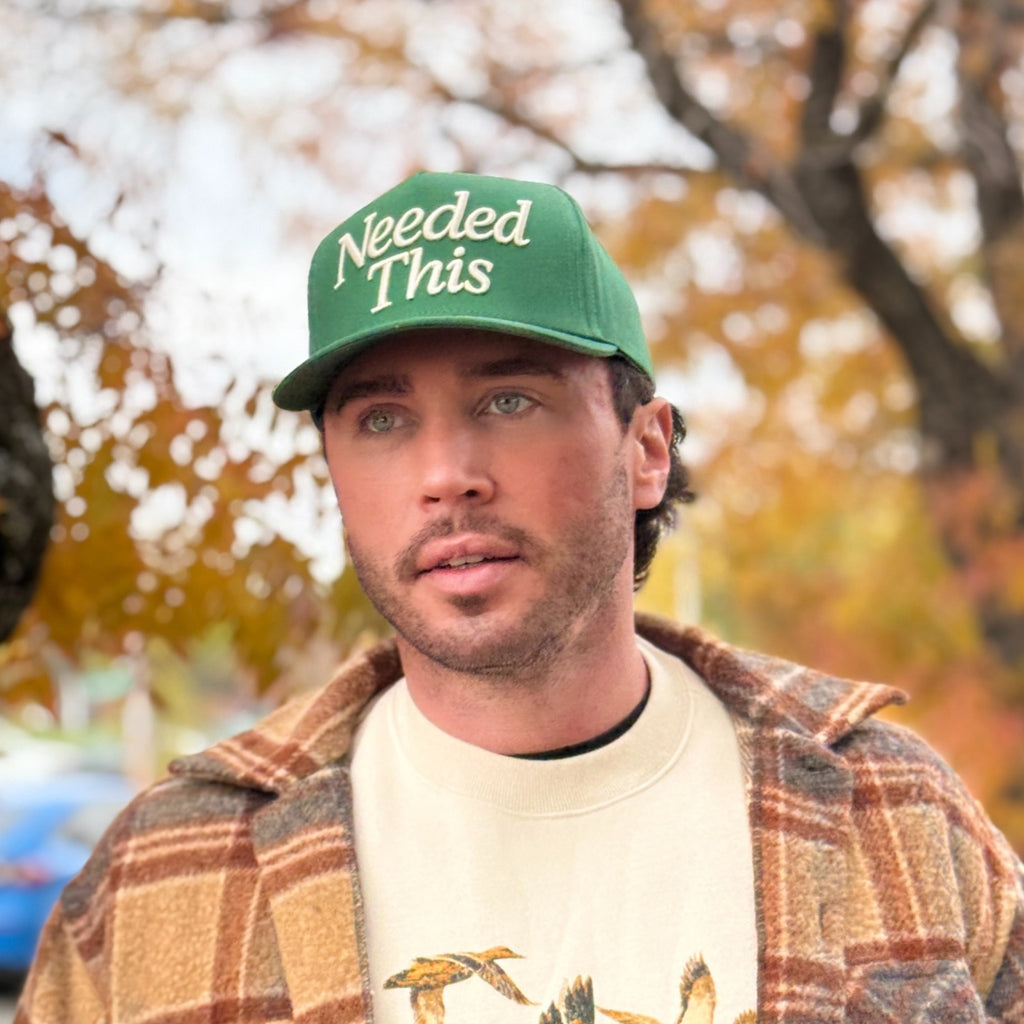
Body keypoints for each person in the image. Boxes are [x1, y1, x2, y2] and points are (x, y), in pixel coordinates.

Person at [15, 172, 1024, 1024]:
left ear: (646, 449)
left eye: (509, 400)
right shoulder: (165, 869)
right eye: (380, 420)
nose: (446, 475)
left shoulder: (893, 811)